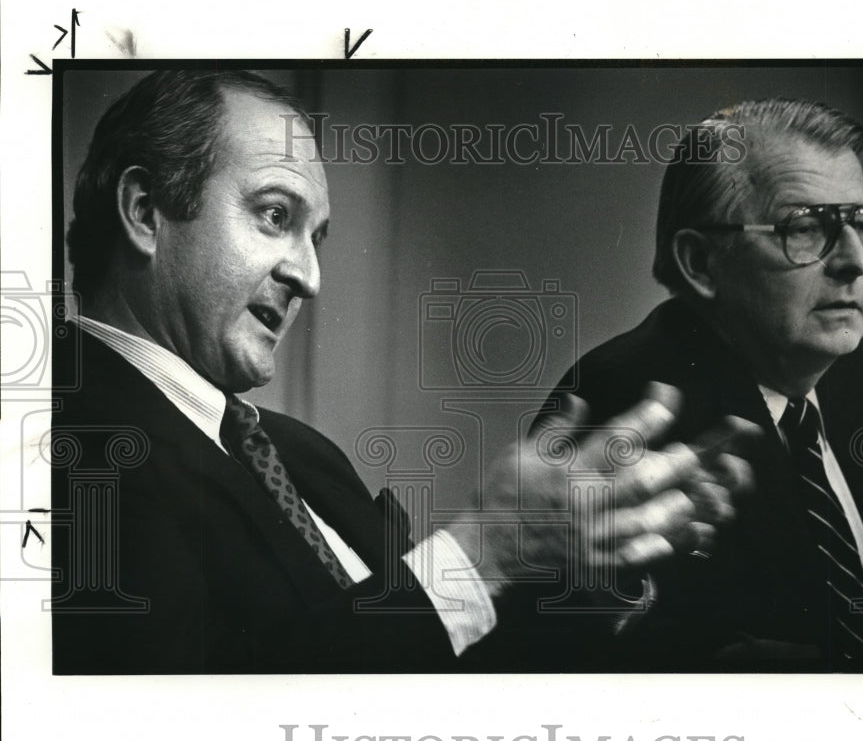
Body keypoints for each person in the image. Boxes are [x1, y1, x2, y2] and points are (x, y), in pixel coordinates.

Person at [49, 70, 755, 674]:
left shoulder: (298, 451)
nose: (310, 276)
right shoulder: (56, 446)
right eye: (274, 216)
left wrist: (586, 572)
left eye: (316, 238)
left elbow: (436, 649)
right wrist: (485, 547)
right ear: (146, 212)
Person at [540, 98, 863, 671]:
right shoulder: (623, 406)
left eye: (862, 223)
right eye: (805, 228)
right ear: (702, 263)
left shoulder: (862, 374)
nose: (856, 261)